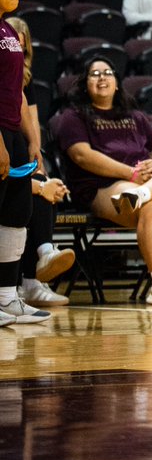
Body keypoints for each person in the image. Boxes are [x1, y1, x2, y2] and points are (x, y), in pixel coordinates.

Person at [56, 56, 152, 305]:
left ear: (117, 82)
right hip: (103, 186)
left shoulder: (136, 116)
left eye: (108, 72)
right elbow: (82, 155)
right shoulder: (73, 117)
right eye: (95, 74)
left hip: (142, 185)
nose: (102, 78)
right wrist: (130, 174)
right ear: (84, 83)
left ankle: (144, 193)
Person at [6, 17, 74, 306]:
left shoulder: (23, 85)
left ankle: (31, 281)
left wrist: (40, 174)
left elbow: (30, 131)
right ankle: (16, 287)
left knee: (44, 186)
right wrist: (38, 186)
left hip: (16, 163)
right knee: (34, 192)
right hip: (7, 171)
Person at [0, 0, 50, 325]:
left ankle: (7, 298)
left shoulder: (9, 32)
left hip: (13, 134)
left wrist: (32, 139)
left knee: (18, 213)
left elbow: (16, 90)